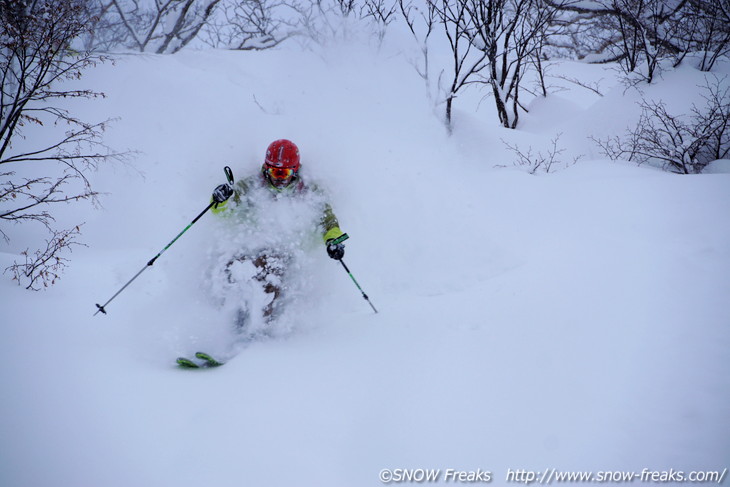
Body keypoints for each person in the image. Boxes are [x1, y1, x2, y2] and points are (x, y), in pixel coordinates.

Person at [208, 139, 347, 331]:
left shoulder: (309, 191)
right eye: (273, 171)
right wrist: (219, 199)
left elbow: (328, 221)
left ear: (295, 171)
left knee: (269, 271)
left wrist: (333, 241)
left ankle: (259, 326)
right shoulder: (252, 185)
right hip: (253, 244)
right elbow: (223, 211)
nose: (278, 178)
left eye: (284, 172)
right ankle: (227, 324)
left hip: (288, 252)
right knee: (234, 267)